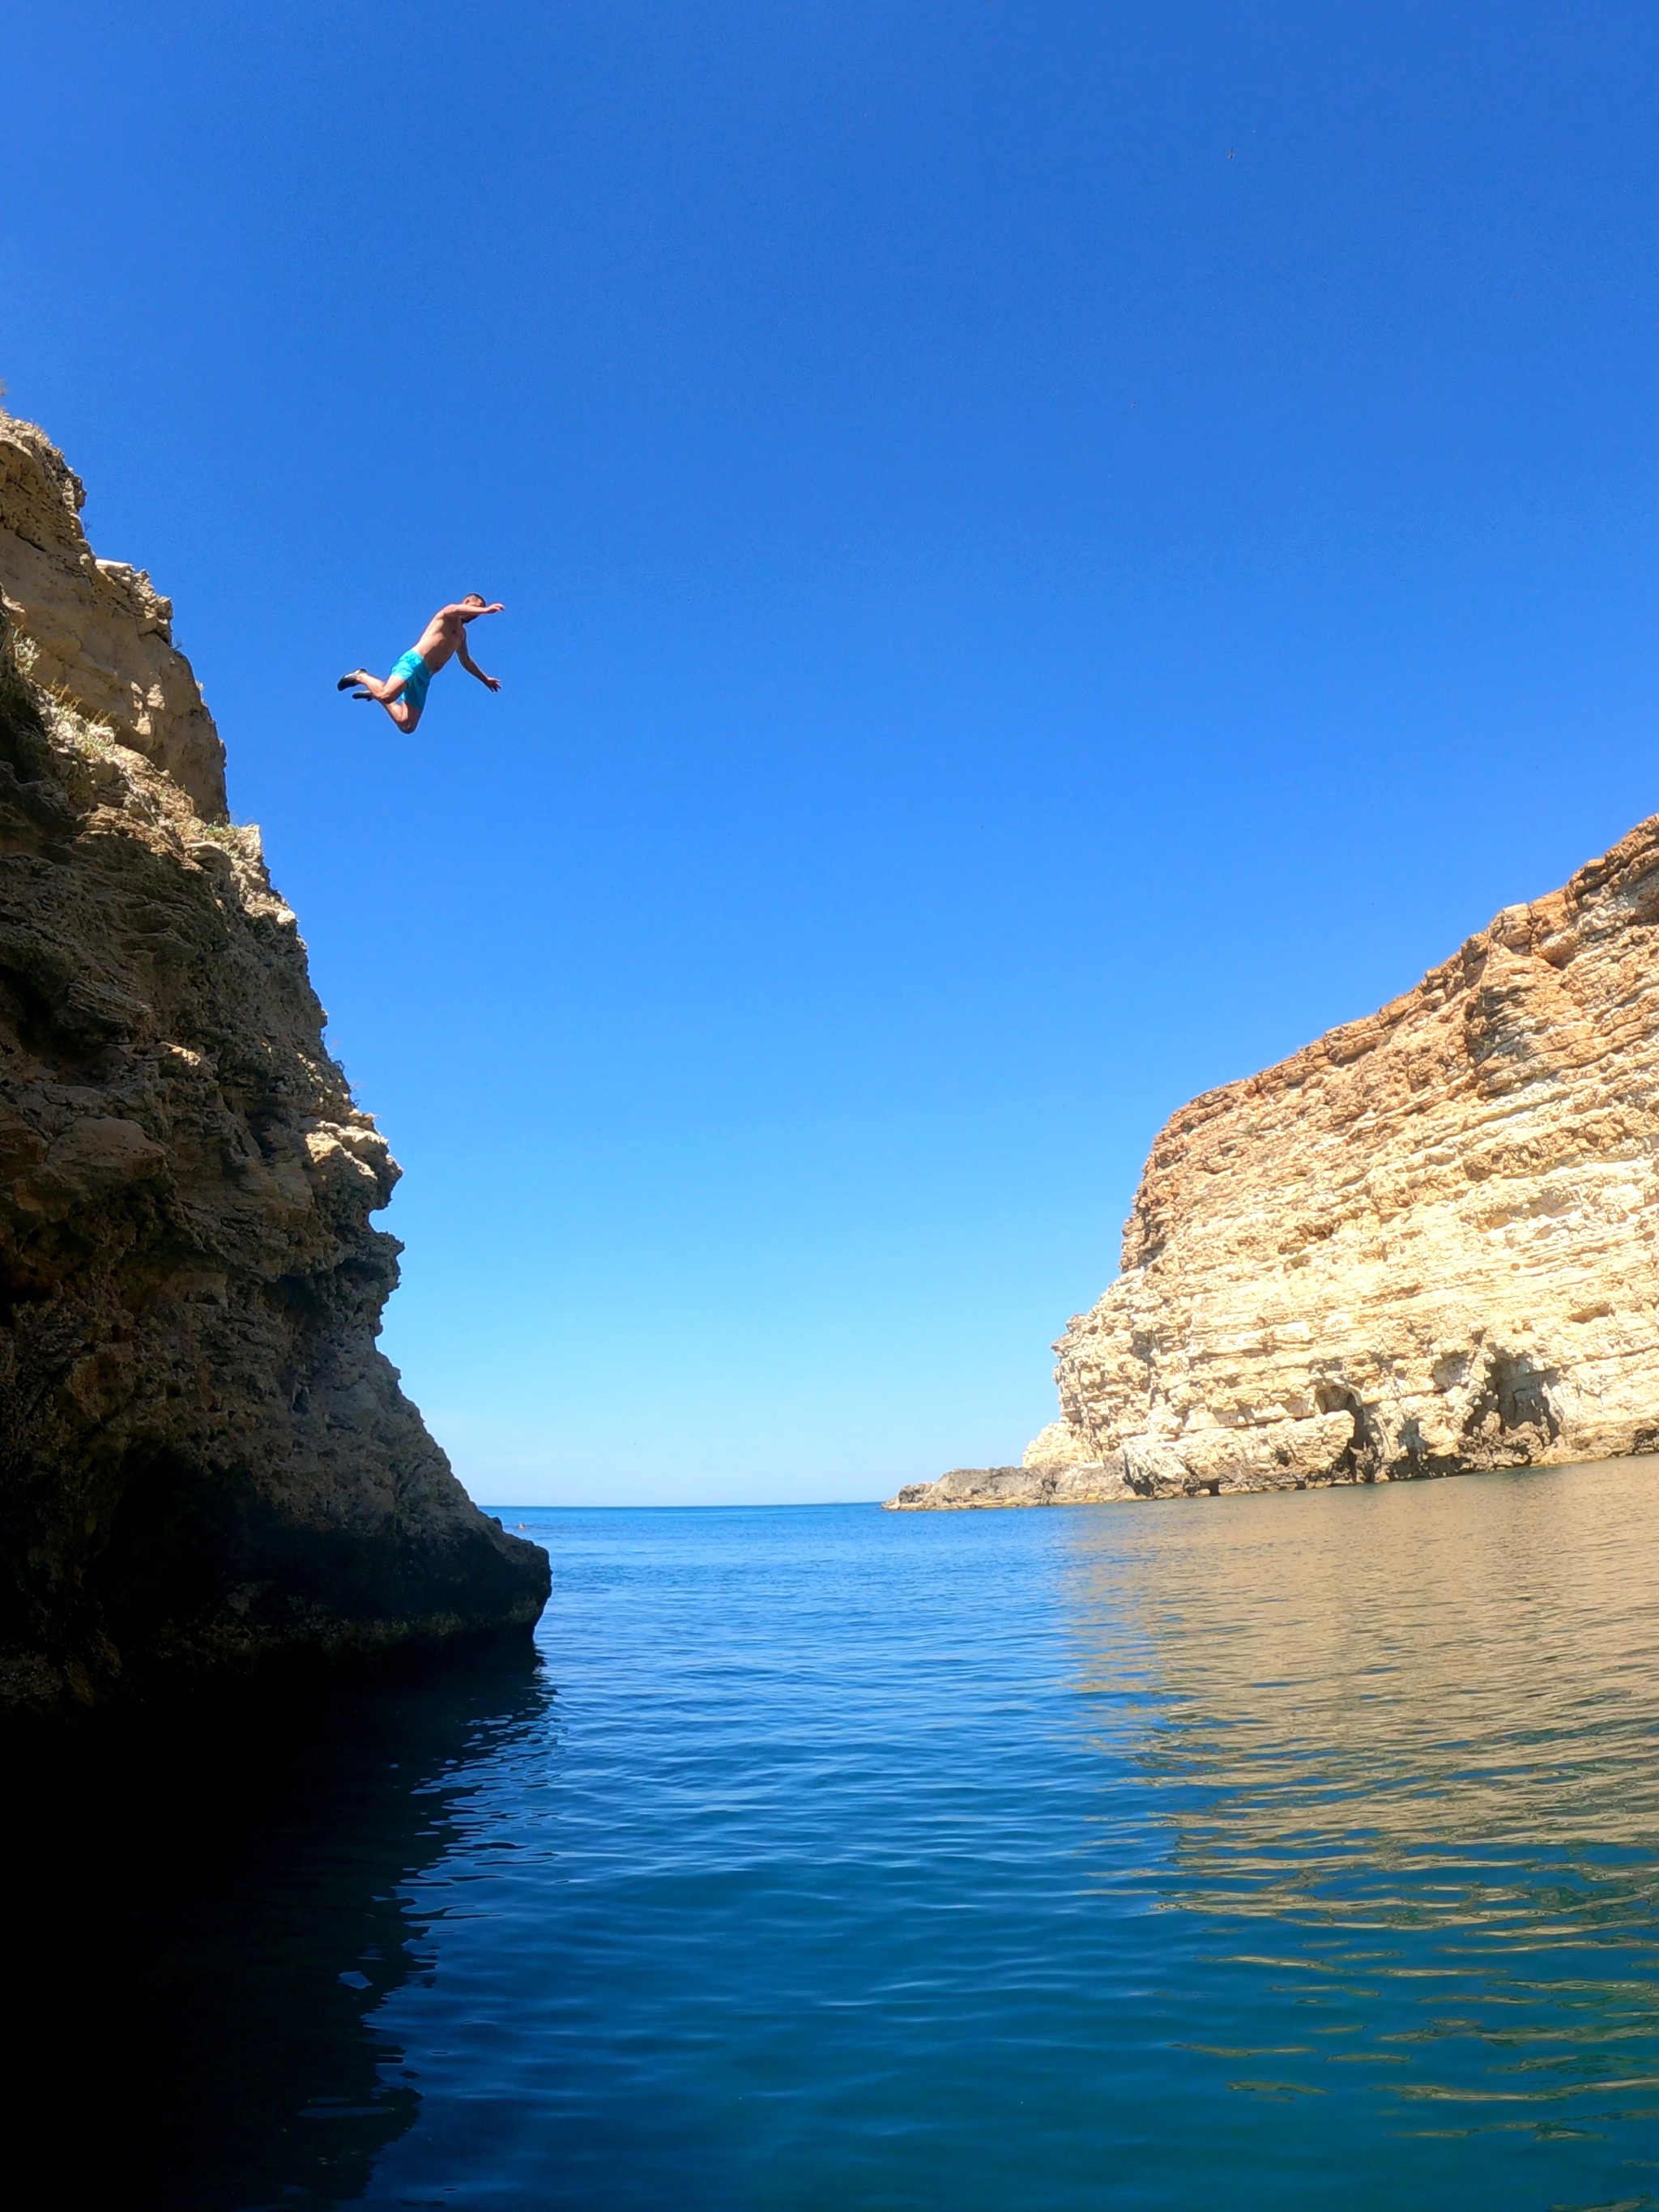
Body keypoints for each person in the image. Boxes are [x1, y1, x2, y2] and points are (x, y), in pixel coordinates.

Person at [338, 595, 505, 731]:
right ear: (467, 602)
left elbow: (466, 661)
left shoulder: (461, 635)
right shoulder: (448, 613)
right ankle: (361, 676)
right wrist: (485, 610)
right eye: (475, 609)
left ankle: (377, 693)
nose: (476, 615)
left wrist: (485, 679)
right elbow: (455, 609)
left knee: (407, 725)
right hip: (413, 663)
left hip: (425, 677)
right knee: (387, 696)